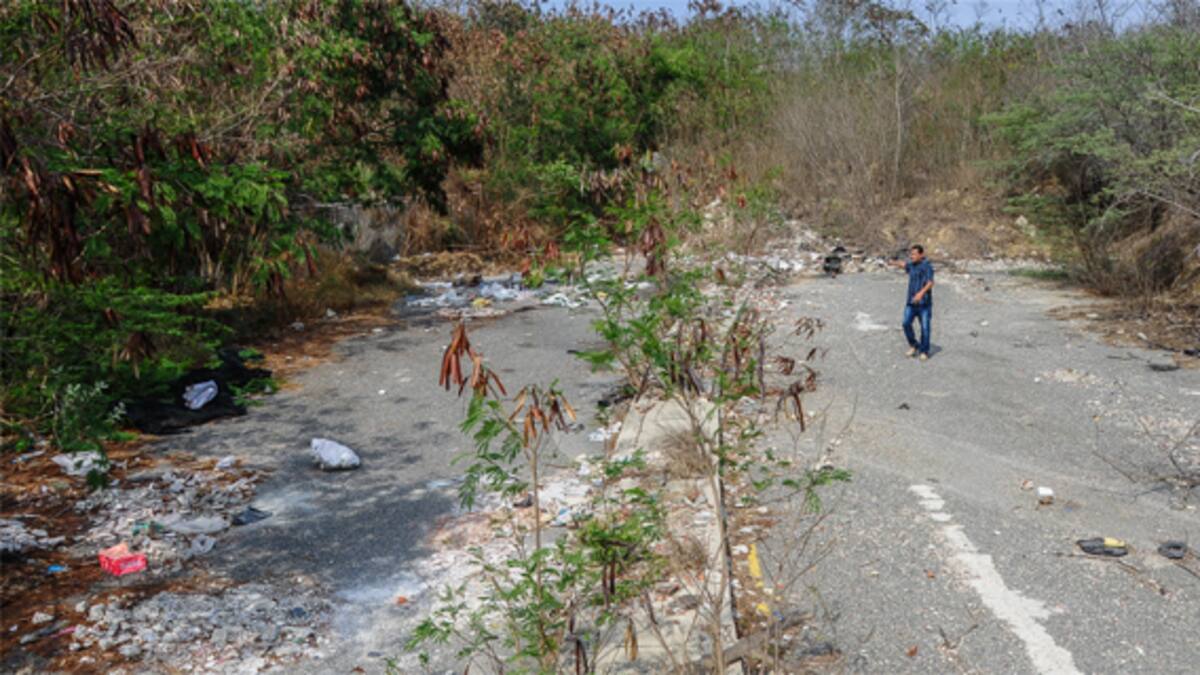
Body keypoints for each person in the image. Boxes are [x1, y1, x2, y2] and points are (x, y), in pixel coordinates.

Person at [888, 245, 934, 360]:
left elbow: (930, 283)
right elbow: (904, 265)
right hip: (911, 302)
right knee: (906, 323)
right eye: (911, 254)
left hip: (924, 304)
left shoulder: (927, 266)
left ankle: (924, 351)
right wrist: (893, 263)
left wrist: (921, 293)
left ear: (921, 255)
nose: (911, 256)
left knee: (925, 328)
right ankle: (914, 345)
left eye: (914, 254)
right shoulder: (912, 265)